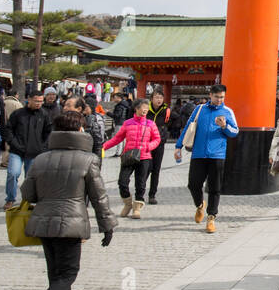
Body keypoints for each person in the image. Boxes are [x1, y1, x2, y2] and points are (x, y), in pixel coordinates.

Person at [16, 110, 117, 290]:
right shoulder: (88, 160)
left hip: (43, 222)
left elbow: (27, 194)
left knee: (55, 272)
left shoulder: (41, 159)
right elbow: (98, 196)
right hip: (71, 222)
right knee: (68, 273)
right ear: (79, 131)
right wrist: (107, 225)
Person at [174, 84, 238, 233]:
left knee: (215, 188)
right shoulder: (199, 109)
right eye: (216, 97)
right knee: (193, 184)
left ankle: (211, 217)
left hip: (217, 155)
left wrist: (224, 126)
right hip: (198, 153)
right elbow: (188, 127)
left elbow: (235, 132)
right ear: (210, 95)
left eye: (222, 97)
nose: (219, 100)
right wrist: (178, 146)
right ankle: (200, 205)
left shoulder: (228, 111)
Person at [102, 102, 162, 219]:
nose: (145, 110)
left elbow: (157, 139)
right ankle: (128, 203)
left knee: (140, 184)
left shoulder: (150, 124)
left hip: (144, 157)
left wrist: (148, 147)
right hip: (129, 156)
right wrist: (104, 146)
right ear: (136, 109)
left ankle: (137, 208)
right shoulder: (128, 123)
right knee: (122, 182)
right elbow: (117, 138)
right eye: (142, 107)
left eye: (146, 107)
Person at [5, 92, 50, 210]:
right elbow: (8, 130)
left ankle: (28, 200)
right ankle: (10, 198)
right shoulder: (18, 114)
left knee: (30, 178)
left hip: (35, 151)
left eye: (41, 101)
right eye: (36, 101)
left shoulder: (44, 115)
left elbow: (48, 132)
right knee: (12, 173)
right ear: (29, 100)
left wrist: (43, 147)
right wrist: (13, 143)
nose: (38, 104)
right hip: (17, 150)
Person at [142, 90, 173, 204]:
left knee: (156, 169)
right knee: (145, 168)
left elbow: (176, 120)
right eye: (156, 97)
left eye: (161, 97)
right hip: (146, 143)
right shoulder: (145, 110)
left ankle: (152, 195)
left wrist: (165, 132)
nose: (159, 100)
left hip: (159, 144)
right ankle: (140, 193)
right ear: (151, 99)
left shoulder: (166, 111)